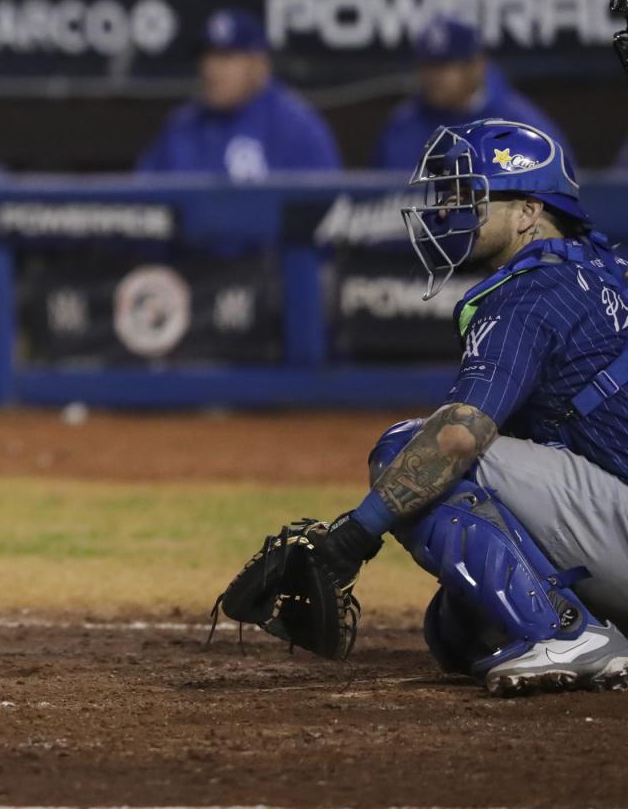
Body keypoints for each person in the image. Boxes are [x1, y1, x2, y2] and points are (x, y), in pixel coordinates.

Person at [269, 120, 628, 694]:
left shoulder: (528, 290)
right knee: (460, 629)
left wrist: (354, 536)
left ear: (528, 212)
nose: (447, 211)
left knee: (410, 449)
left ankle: (564, 634)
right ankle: (583, 634)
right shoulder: (606, 271)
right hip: (614, 520)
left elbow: (458, 438)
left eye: (470, 196)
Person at [137, 9, 340, 179]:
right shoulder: (180, 128)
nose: (210, 69)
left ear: (259, 65)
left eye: (225, 57)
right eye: (206, 56)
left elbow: (325, 212)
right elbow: (143, 206)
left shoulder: (298, 130)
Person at [373, 18, 567, 174]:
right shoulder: (403, 124)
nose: (432, 78)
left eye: (444, 67)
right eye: (427, 67)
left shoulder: (521, 125)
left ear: (476, 66)